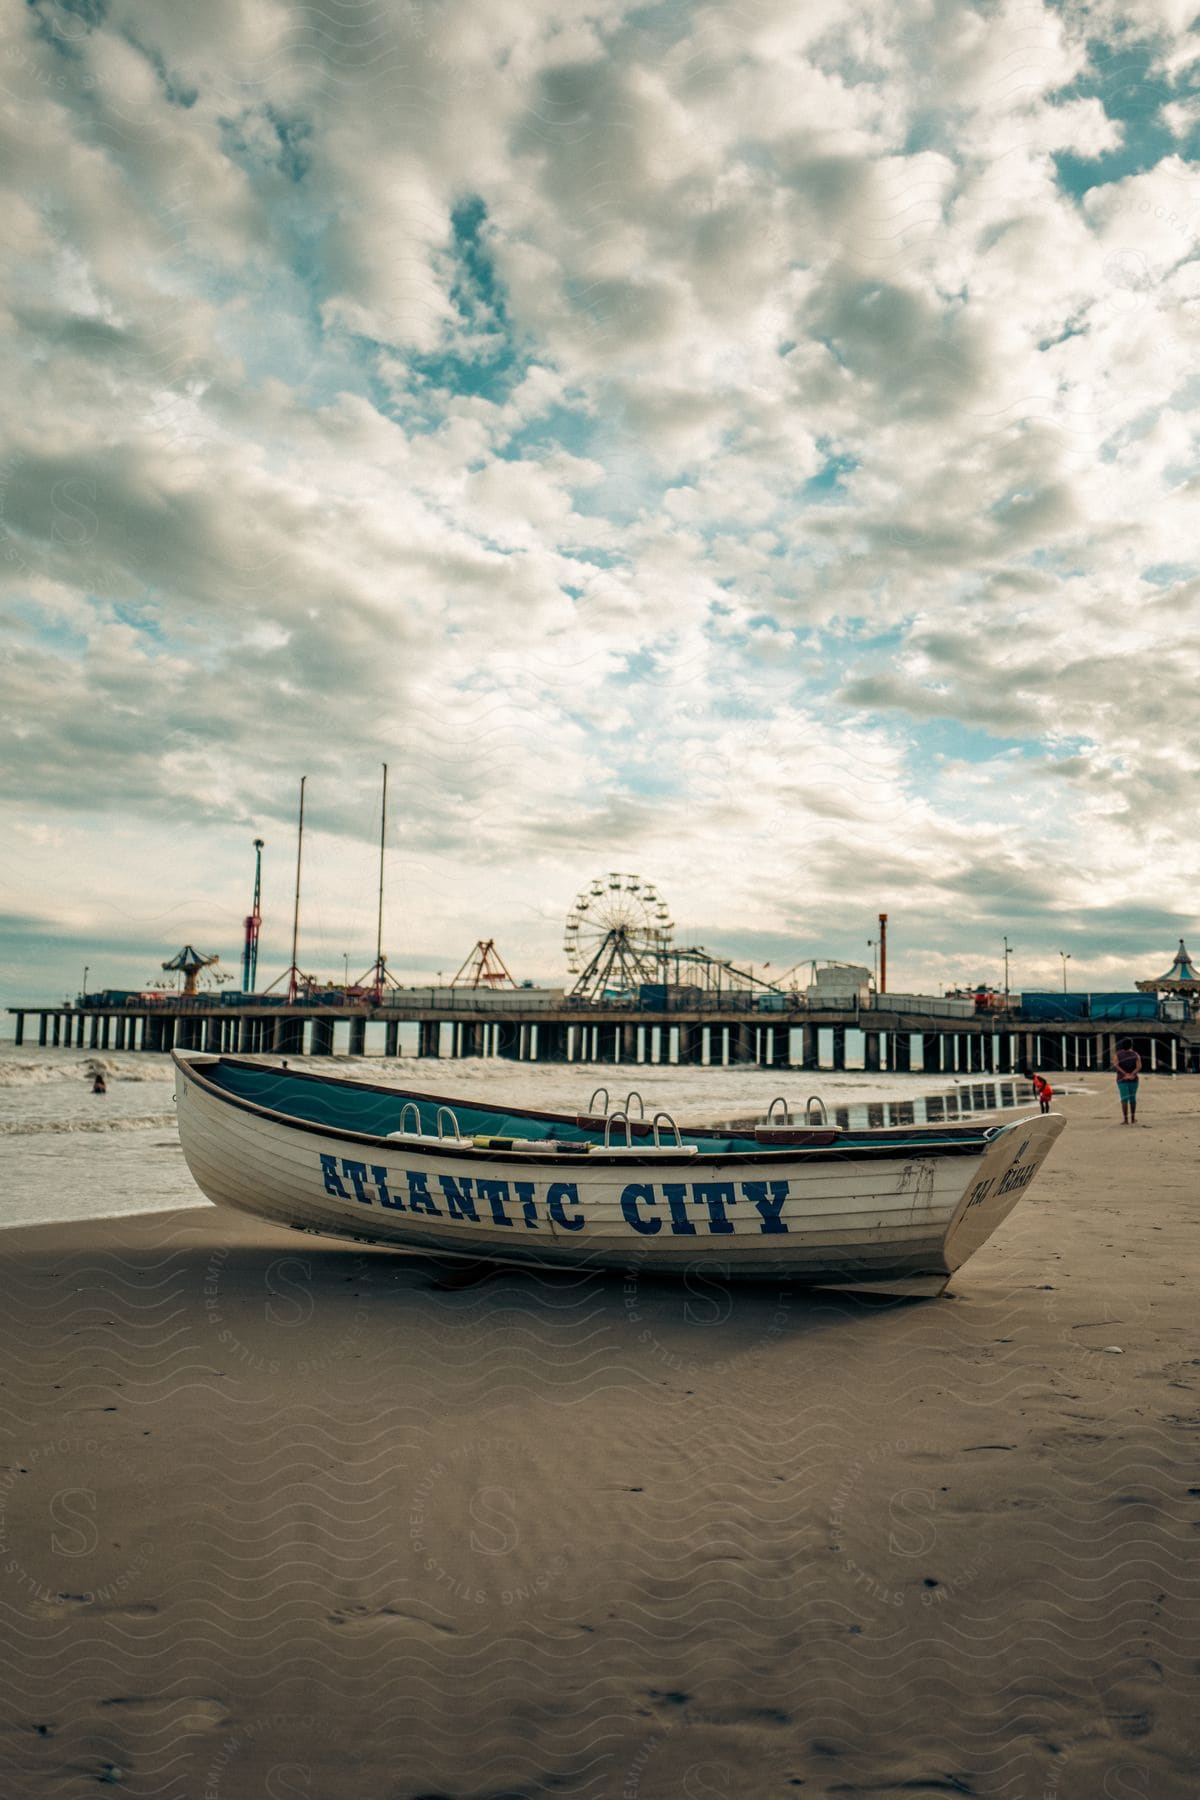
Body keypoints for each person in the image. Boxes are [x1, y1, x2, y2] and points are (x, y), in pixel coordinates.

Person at [1112, 1038, 1142, 1125]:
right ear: (1131, 1045)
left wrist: (1125, 1074)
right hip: (1134, 1079)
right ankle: (1132, 1119)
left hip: (1122, 1079)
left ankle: (1126, 1120)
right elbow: (1139, 1066)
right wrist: (1132, 1074)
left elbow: (1116, 1065)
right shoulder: (1135, 1054)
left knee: (1124, 1099)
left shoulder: (1117, 1054)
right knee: (1133, 1099)